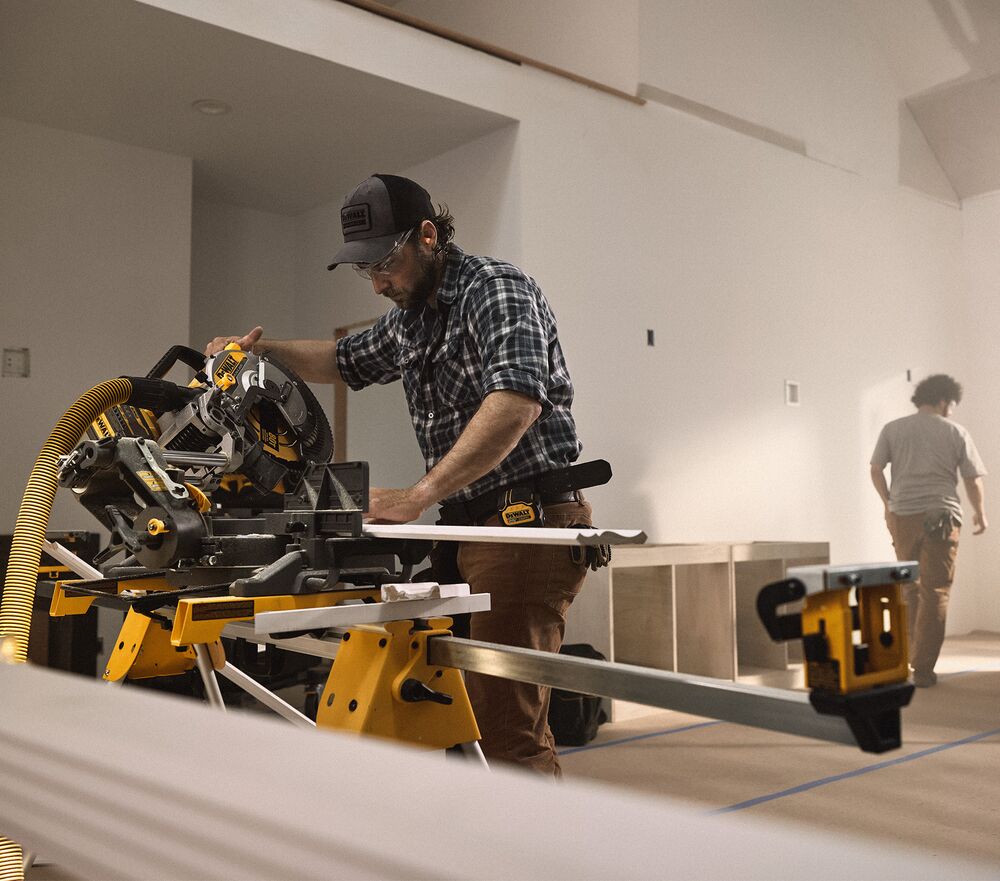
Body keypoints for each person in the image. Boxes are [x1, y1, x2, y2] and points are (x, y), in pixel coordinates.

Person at [206, 173, 594, 776]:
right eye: (366, 270)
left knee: (503, 728)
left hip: (526, 519)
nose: (379, 281)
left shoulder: (496, 289)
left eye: (386, 262)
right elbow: (340, 359)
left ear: (429, 236)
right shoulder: (412, 318)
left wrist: (419, 495)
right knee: (440, 701)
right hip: (466, 522)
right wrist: (257, 353)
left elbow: (516, 402)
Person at [869, 374, 987, 687]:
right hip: (942, 515)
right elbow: (973, 479)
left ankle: (907, 658)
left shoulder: (893, 429)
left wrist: (888, 503)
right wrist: (980, 514)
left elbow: (875, 469)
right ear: (943, 400)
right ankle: (922, 669)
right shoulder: (955, 431)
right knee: (936, 590)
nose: (953, 411)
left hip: (902, 515)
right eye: (952, 405)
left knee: (909, 587)